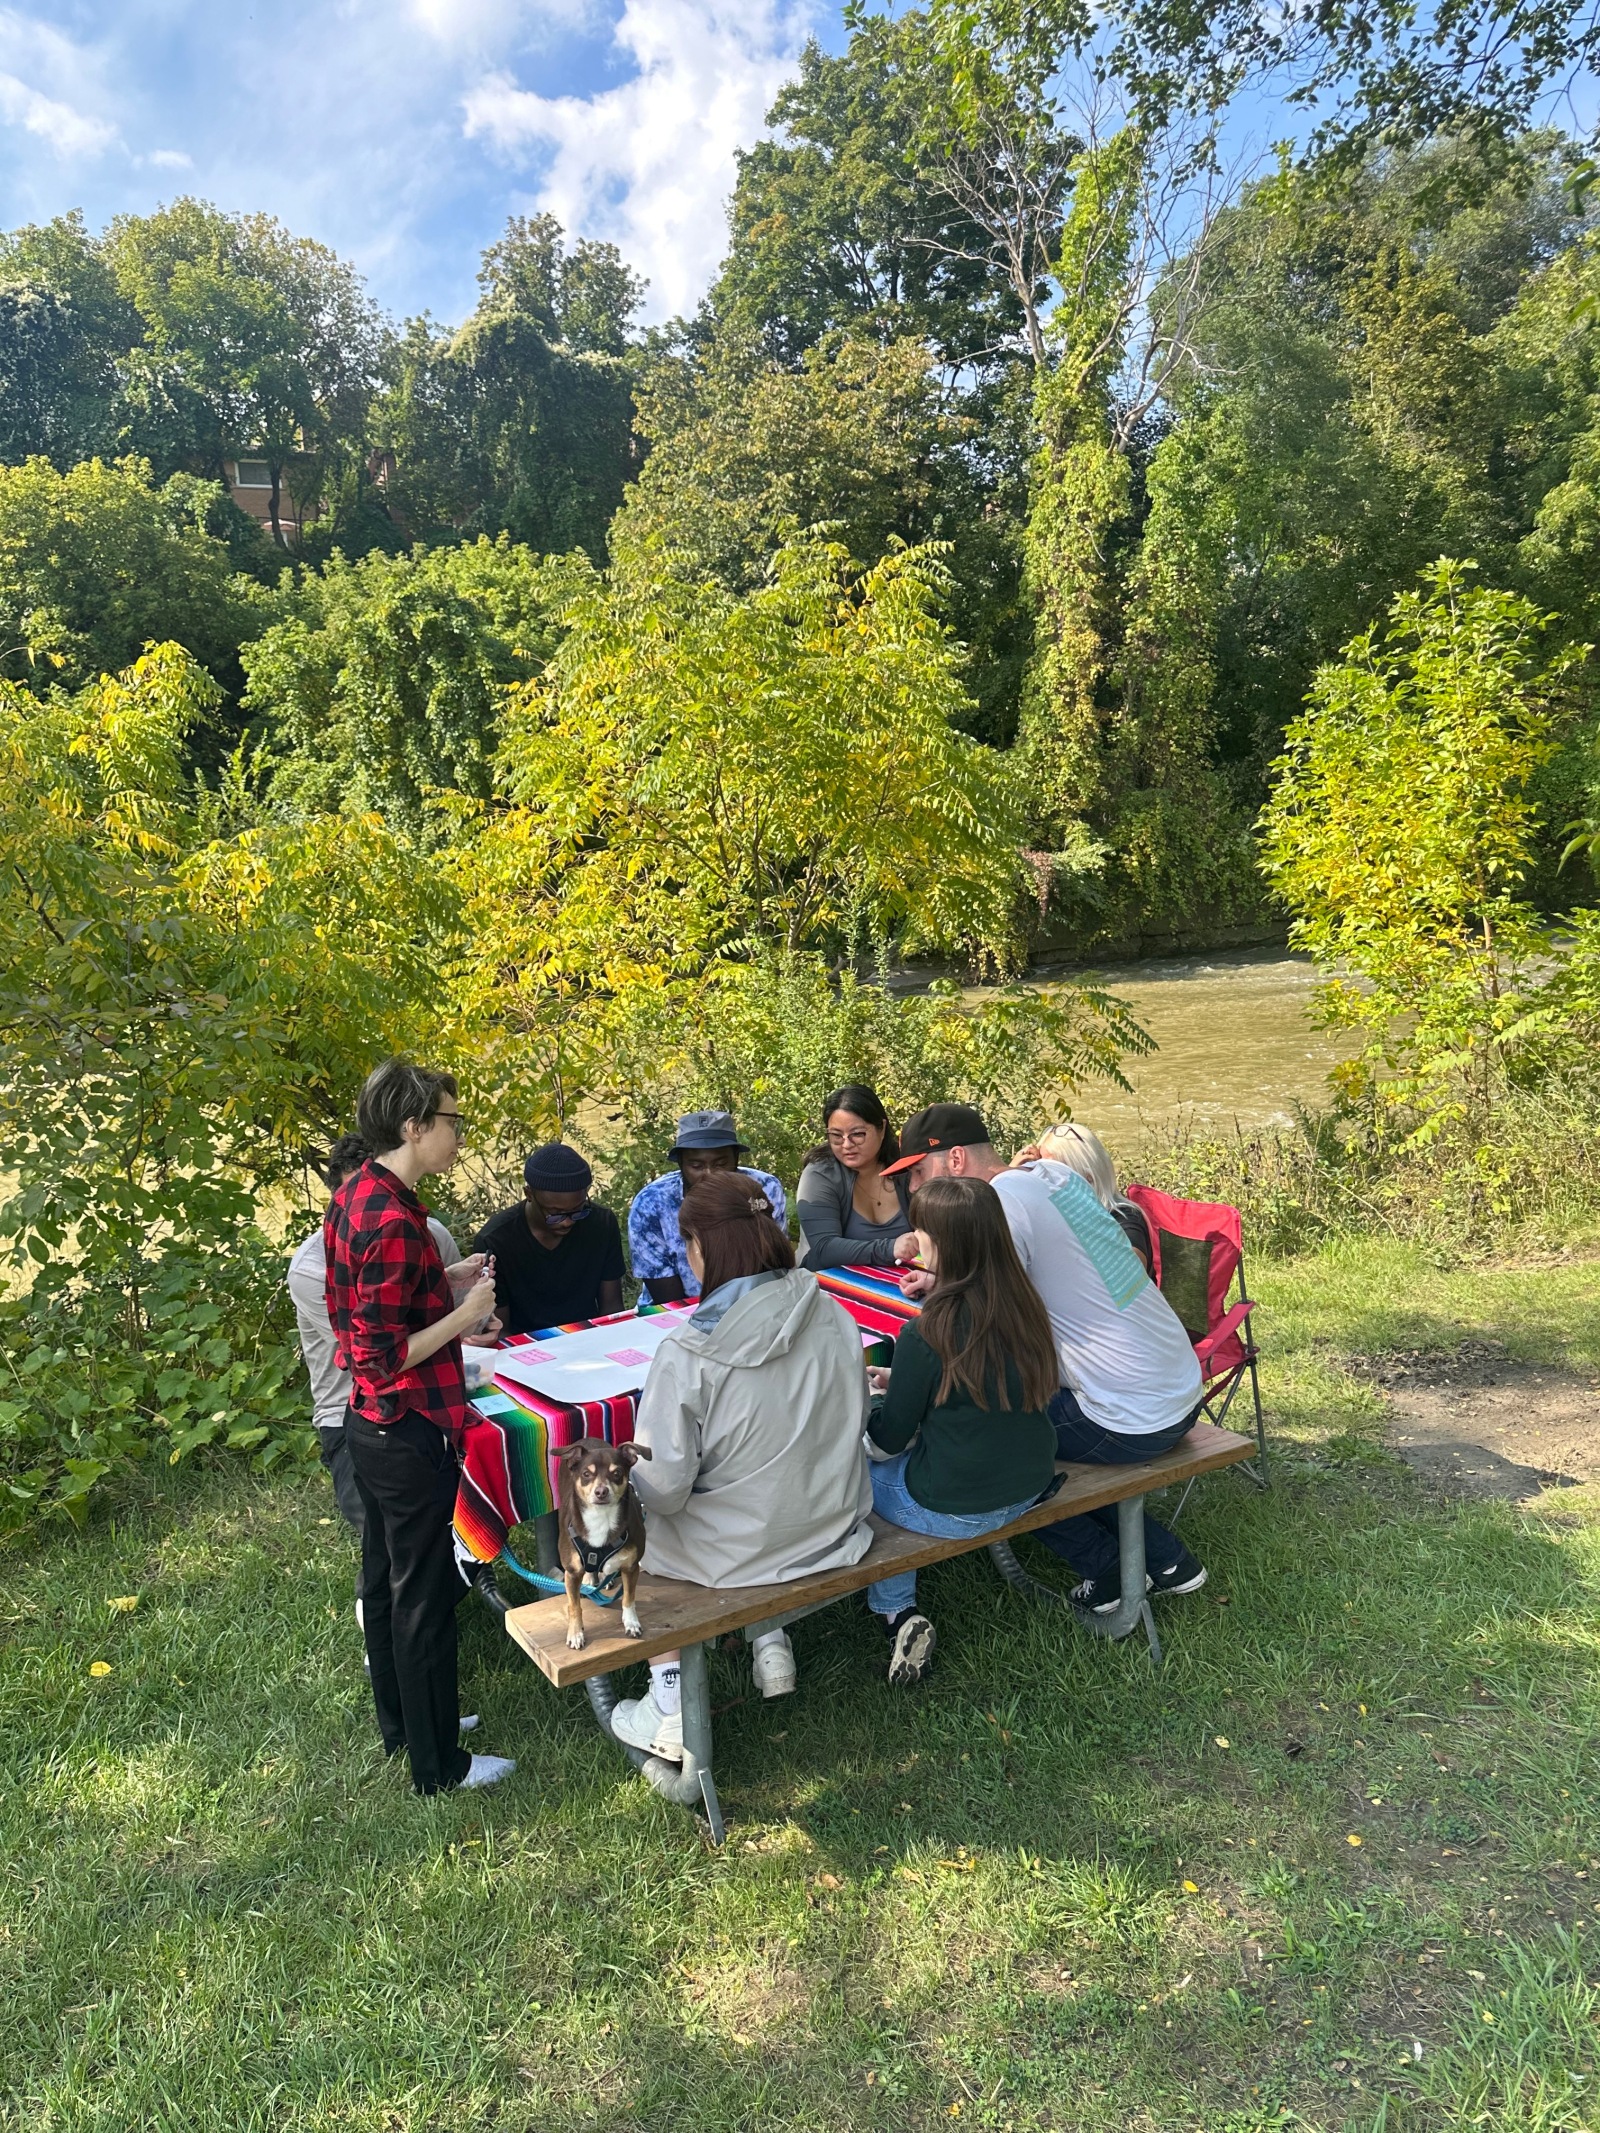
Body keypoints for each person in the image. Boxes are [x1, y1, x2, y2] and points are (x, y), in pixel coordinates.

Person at [885, 1104, 1207, 1614]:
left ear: (956, 1160)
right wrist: (941, 1276)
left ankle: (1107, 1569)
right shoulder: (1052, 1175)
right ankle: (1167, 1560)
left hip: (1128, 1415)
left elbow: (978, 1329)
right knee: (1010, 1425)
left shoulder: (999, 1205)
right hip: (1180, 1388)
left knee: (990, 1440)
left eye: (919, 1172)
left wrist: (907, 1374)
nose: (915, 1188)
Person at [609, 1172, 874, 1758]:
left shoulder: (687, 1350)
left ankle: (669, 1703)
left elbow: (664, 1491)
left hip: (735, 1553)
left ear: (702, 1246)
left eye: (688, 1244)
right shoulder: (834, 1311)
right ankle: (770, 1640)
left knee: (628, 1523)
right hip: (831, 1524)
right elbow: (856, 1415)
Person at [325, 1060, 515, 1795]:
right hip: (405, 1428)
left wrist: (446, 1280)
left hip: (368, 1426)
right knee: (423, 1598)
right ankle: (440, 1767)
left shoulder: (359, 1194)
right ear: (413, 1126)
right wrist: (465, 1317)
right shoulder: (396, 1219)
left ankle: (408, 1726)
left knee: (385, 1582)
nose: (459, 1135)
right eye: (452, 1121)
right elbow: (380, 1357)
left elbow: (375, 1310)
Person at [863, 1176, 1059, 1685]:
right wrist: (906, 1380)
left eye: (921, 1232)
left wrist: (870, 1401)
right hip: (1030, 1484)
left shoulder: (926, 1332)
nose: (915, 1242)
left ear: (943, 1244)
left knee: (858, 1473)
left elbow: (885, 1442)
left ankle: (897, 1612)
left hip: (956, 1507)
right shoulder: (1025, 1304)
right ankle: (897, 1613)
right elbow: (976, 1380)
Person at [288, 1133, 468, 1550]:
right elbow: (377, 1358)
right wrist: (464, 1317)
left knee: (457, 1513)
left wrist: (469, 1305)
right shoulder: (312, 1268)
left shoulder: (427, 1232)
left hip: (433, 1400)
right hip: (357, 1412)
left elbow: (450, 1322)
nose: (368, 1208)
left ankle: (465, 1570)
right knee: (389, 1534)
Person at [626, 1109, 786, 1304]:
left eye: (721, 1164)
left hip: (755, 1301)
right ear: (681, 1164)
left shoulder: (766, 1188)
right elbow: (667, 1297)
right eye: (696, 1166)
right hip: (676, 1310)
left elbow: (775, 1264)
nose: (709, 1175)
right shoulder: (651, 1203)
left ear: (736, 1158)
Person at [470, 1141, 625, 1335]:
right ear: (529, 1194)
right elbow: (499, 1330)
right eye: (555, 1214)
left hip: (588, 1335)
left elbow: (612, 1309)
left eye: (578, 1211)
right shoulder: (495, 1240)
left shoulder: (601, 1223)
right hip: (524, 1343)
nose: (567, 1222)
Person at [796, 1084, 915, 1270]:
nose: (846, 1145)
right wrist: (889, 1249)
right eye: (836, 1136)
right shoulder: (820, 1174)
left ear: (882, 1128)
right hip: (831, 1282)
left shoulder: (906, 1169)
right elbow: (824, 1248)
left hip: (906, 1280)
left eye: (857, 1134)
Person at [1011, 1121, 1152, 1269]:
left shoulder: (1124, 1215)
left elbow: (1131, 1267)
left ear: (1088, 1175)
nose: (1044, 1178)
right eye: (1038, 1168)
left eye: (1053, 1170)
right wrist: (1011, 1175)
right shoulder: (1044, 1214)